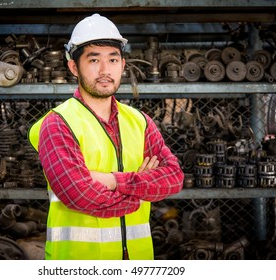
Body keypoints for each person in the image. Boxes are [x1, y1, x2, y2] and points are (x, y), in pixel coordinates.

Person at [28, 13, 184, 260]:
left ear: (122, 65)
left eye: (112, 59)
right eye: (93, 60)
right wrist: (138, 191)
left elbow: (173, 178)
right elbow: (78, 193)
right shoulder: (58, 124)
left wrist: (111, 181)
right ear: (73, 67)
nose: (104, 70)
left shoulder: (139, 122)